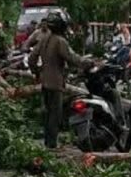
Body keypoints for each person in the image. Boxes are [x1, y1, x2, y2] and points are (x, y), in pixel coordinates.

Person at [28, 11, 88, 149]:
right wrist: (88, 63)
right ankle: (52, 145)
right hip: (55, 83)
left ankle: (48, 142)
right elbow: (72, 58)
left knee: (48, 113)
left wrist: (36, 72)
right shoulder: (60, 41)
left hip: (45, 81)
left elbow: (32, 58)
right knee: (55, 115)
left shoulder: (44, 39)